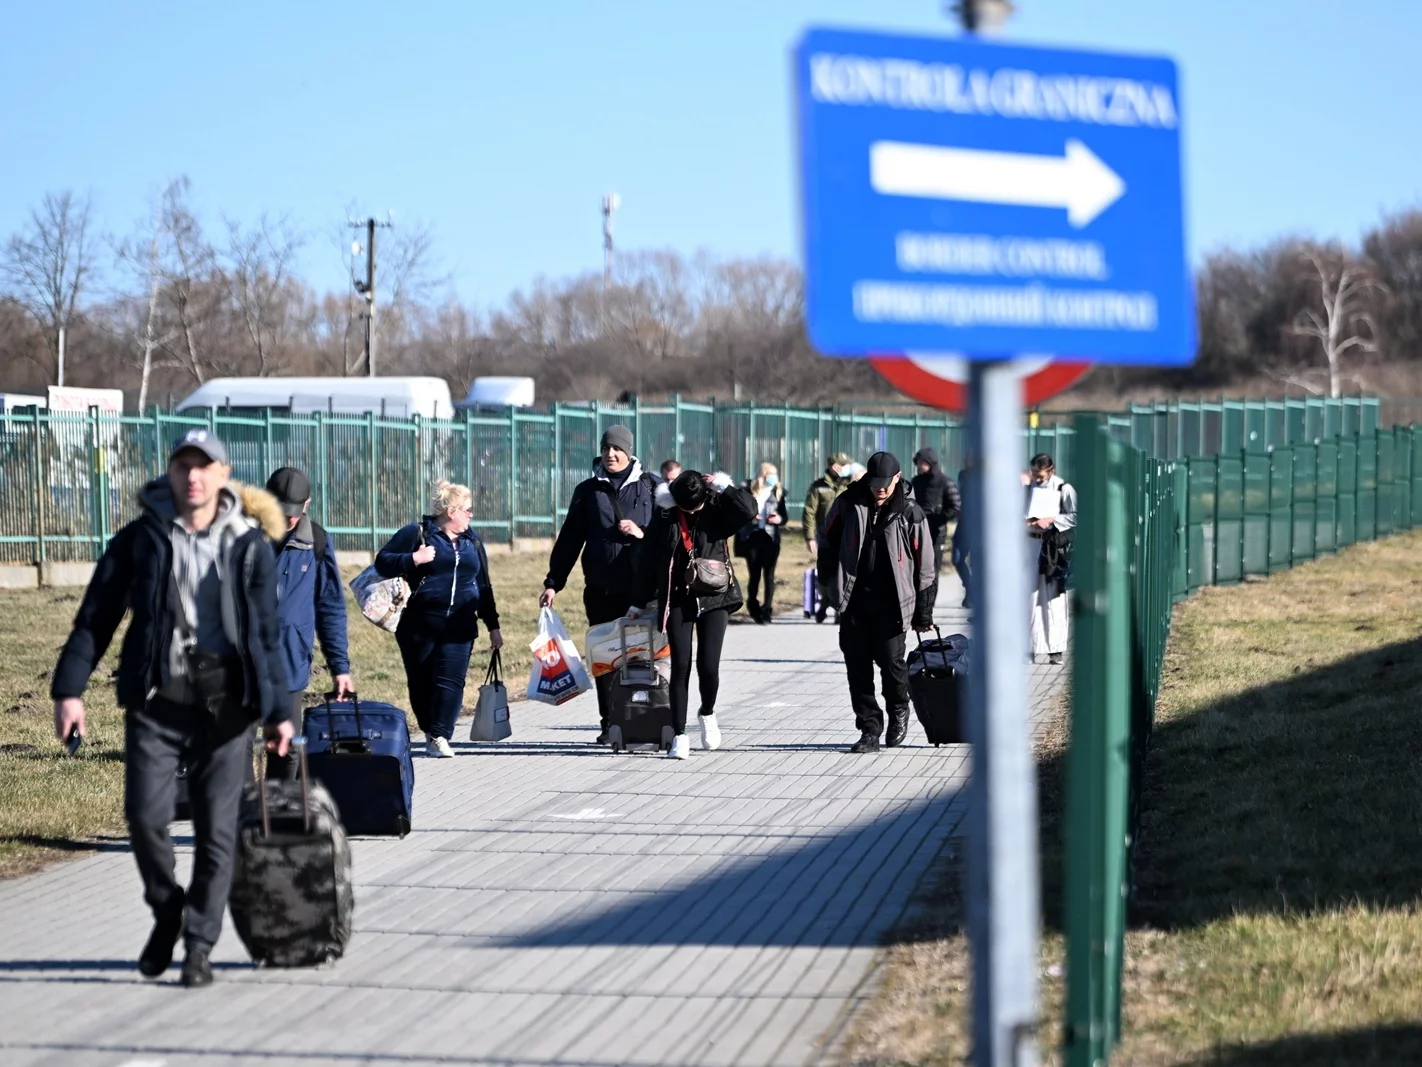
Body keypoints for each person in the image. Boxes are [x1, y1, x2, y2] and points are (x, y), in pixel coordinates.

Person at [50, 429, 290, 988]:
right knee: (144, 817)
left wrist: (279, 711)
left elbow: (266, 636)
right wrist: (69, 691)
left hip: (228, 710)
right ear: (170, 472)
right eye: (183, 465)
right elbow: (95, 617)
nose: (193, 476)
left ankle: (199, 946)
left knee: (217, 833)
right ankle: (167, 910)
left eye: (204, 466)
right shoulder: (141, 539)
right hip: (157, 703)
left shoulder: (249, 545)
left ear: (224, 475)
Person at [541, 425, 657, 743]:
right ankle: (610, 724)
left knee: (637, 659)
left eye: (617, 449)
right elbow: (570, 539)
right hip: (601, 590)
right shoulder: (588, 491)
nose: (610, 454)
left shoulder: (650, 487)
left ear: (629, 451)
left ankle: (638, 720)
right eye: (606, 448)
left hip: (640, 592)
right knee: (605, 659)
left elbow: (666, 536)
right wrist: (553, 582)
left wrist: (641, 532)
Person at [631, 470, 756, 760]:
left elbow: (749, 510)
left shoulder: (717, 508)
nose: (690, 511)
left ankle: (707, 713)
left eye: (695, 506)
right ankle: (679, 734)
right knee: (681, 665)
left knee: (709, 665)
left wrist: (724, 487)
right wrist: (638, 602)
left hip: (715, 595)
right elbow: (648, 559)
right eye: (685, 507)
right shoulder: (665, 515)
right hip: (677, 597)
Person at [818, 451, 935, 754]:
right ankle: (869, 729)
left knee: (892, 664)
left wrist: (923, 611)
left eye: (885, 483)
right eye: (875, 483)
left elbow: (925, 565)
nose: (880, 489)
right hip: (855, 600)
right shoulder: (848, 503)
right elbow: (826, 541)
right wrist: (829, 583)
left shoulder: (910, 511)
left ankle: (898, 708)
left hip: (893, 603)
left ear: (897, 478)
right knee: (857, 667)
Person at [376, 480, 502, 757]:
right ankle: (428, 729)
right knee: (421, 681)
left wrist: (493, 626)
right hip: (418, 625)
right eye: (467, 510)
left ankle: (440, 735)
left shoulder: (472, 542)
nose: (471, 515)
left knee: (451, 681)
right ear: (450, 511)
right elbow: (382, 561)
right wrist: (414, 558)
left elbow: (483, 586)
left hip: (460, 625)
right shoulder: (417, 534)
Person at [264, 467, 352, 776]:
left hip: (289, 662)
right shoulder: (241, 537)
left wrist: (340, 667)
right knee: (236, 751)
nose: (287, 519)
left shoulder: (316, 541)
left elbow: (330, 607)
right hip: (242, 665)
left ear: (307, 504)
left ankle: (279, 806)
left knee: (287, 750)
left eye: (293, 512)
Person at [1026, 453, 1077, 666]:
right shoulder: (1028, 489)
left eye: (1040, 475)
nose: (1037, 479)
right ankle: (1029, 648)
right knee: (1030, 599)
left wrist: (1052, 520)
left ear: (1050, 470)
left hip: (1053, 549)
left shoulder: (1063, 488)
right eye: (1034, 475)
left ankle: (1055, 650)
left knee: (1053, 600)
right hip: (1030, 545)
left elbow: (1076, 515)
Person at [910, 448, 962, 609]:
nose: (920, 466)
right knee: (916, 568)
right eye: (918, 462)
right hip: (917, 531)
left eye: (923, 463)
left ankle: (928, 606)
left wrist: (937, 518)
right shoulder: (916, 482)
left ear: (931, 463)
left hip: (936, 533)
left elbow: (955, 506)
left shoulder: (945, 482)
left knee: (932, 570)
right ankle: (916, 604)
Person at [803, 452, 851, 623]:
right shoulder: (818, 487)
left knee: (843, 573)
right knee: (825, 574)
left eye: (845, 465)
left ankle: (840, 610)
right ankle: (825, 602)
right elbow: (809, 512)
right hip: (825, 538)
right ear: (832, 465)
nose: (843, 468)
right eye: (840, 465)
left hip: (846, 537)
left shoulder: (851, 485)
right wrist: (810, 537)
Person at [743, 462, 788, 624]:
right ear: (763, 475)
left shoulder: (778, 492)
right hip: (753, 537)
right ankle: (753, 605)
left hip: (771, 537)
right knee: (754, 575)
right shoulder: (749, 491)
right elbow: (741, 512)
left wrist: (778, 519)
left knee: (769, 575)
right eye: (770, 474)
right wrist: (751, 516)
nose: (773, 478)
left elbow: (784, 516)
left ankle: (767, 609)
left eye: (775, 474)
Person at [953, 453, 976, 608]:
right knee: (957, 558)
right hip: (963, 523)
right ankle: (970, 588)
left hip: (978, 525)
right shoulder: (963, 475)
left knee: (976, 562)